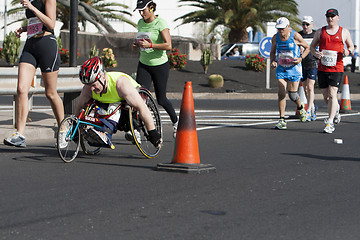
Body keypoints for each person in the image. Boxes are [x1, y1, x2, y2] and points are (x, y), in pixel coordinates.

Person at [4, 0, 63, 147]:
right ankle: (20, 134)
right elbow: (36, 22)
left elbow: (50, 24)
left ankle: (63, 130)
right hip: (30, 45)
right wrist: (24, 29)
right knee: (21, 89)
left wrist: (31, 8)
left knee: (50, 93)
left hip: (47, 44)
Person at [75, 57, 162, 148]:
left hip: (128, 101)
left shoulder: (121, 84)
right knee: (101, 108)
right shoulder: (88, 89)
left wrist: (152, 132)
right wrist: (75, 128)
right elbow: (80, 107)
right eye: (89, 85)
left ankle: (110, 133)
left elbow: (142, 107)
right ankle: (99, 132)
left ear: (103, 77)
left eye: (94, 85)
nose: (92, 89)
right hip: (106, 104)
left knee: (114, 107)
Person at [132, 0, 178, 138]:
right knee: (140, 98)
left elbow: (168, 45)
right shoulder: (140, 23)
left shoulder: (161, 23)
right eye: (139, 11)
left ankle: (176, 122)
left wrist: (150, 45)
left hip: (159, 65)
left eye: (143, 10)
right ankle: (137, 130)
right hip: (144, 64)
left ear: (151, 8)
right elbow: (143, 41)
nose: (141, 13)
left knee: (161, 99)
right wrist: (138, 44)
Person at [310, 8, 354, 134]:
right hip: (322, 67)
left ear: (338, 17)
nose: (331, 19)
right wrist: (315, 53)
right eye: (328, 16)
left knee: (332, 94)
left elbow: (351, 46)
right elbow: (312, 46)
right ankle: (335, 111)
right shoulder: (320, 31)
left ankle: (330, 122)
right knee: (325, 95)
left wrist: (347, 51)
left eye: (333, 16)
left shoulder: (343, 32)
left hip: (337, 67)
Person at [270, 17, 310, 130]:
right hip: (281, 68)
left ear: (288, 27)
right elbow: (272, 52)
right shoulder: (275, 38)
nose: (280, 31)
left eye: (282, 28)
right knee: (281, 93)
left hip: (294, 68)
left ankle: (301, 108)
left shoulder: (295, 36)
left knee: (292, 95)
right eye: (278, 29)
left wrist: (301, 58)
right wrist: (273, 61)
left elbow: (307, 48)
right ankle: (282, 119)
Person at [298, 16, 318, 121]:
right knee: (305, 88)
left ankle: (309, 110)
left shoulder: (316, 34)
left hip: (313, 63)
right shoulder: (299, 35)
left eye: (307, 24)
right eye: (303, 24)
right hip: (302, 63)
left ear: (312, 24)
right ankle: (313, 105)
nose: (305, 27)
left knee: (310, 87)